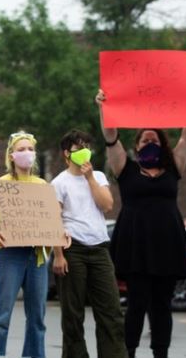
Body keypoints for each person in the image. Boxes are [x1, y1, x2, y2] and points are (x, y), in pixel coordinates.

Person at [96, 87, 186, 358]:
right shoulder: (125, 167)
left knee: (162, 305)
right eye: (144, 141)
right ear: (136, 146)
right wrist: (104, 107)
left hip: (167, 243)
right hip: (136, 244)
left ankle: (161, 352)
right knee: (136, 303)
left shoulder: (174, 168)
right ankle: (129, 351)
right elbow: (110, 137)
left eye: (154, 140)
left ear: (163, 145)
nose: (149, 144)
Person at [51, 129, 126, 358]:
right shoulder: (58, 183)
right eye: (78, 149)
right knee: (73, 314)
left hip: (100, 248)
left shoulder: (99, 176)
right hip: (73, 250)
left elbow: (107, 205)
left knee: (111, 310)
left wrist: (90, 178)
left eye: (87, 147)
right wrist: (59, 255)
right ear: (67, 154)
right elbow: (54, 219)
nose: (84, 152)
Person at [0, 131, 53, 358]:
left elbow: (50, 221)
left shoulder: (42, 185)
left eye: (30, 149)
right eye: (21, 150)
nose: (27, 154)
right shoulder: (1, 185)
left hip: (36, 256)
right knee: (2, 312)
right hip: (9, 254)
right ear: (11, 156)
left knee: (37, 315)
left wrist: (61, 235)